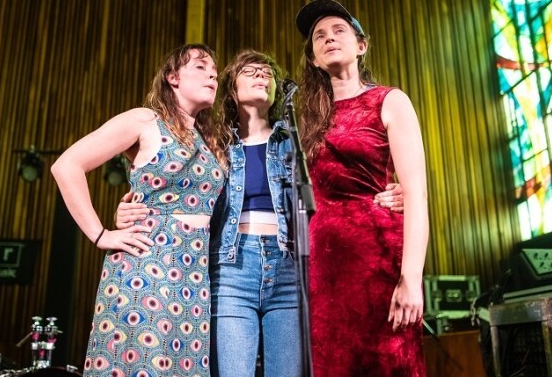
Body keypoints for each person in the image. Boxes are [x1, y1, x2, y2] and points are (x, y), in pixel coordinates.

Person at [115, 49, 406, 377]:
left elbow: (339, 183)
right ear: (232, 88)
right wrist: (136, 203)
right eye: (250, 71)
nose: (261, 76)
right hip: (231, 270)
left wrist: (388, 192)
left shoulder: (299, 142)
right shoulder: (213, 144)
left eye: (267, 73)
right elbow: (166, 176)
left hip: (289, 270)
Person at [51, 43, 226, 377]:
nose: (212, 76)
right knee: (141, 363)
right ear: (173, 77)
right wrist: (101, 234)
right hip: (147, 265)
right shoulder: (145, 120)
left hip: (194, 272)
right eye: (201, 67)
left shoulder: (209, 137)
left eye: (215, 72)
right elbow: (67, 165)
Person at [295, 0, 429, 376]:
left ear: (361, 44)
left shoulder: (389, 101)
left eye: (339, 30)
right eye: (319, 36)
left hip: (377, 261)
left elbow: (416, 194)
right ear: (313, 59)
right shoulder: (302, 120)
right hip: (321, 269)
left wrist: (411, 279)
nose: (329, 38)